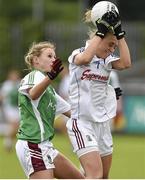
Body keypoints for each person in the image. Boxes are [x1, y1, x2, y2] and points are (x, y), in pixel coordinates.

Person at [66, 9, 131, 179]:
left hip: (102, 126)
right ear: (99, 37)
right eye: (110, 44)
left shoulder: (107, 61)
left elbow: (126, 63)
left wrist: (120, 34)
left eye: (114, 47)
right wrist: (101, 31)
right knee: (95, 175)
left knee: (102, 177)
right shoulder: (78, 53)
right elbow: (86, 59)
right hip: (82, 123)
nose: (112, 50)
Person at [15, 41, 85, 179]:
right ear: (36, 60)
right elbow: (33, 93)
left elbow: (74, 113)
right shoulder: (34, 76)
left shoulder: (50, 91)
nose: (54, 59)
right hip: (32, 145)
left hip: (45, 146)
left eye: (54, 56)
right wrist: (51, 77)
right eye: (49, 56)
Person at [0, 69, 21, 151]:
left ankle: (9, 142)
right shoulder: (6, 85)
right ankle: (8, 143)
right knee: (14, 125)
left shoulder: (20, 83)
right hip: (9, 108)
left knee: (16, 127)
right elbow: (1, 97)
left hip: (18, 108)